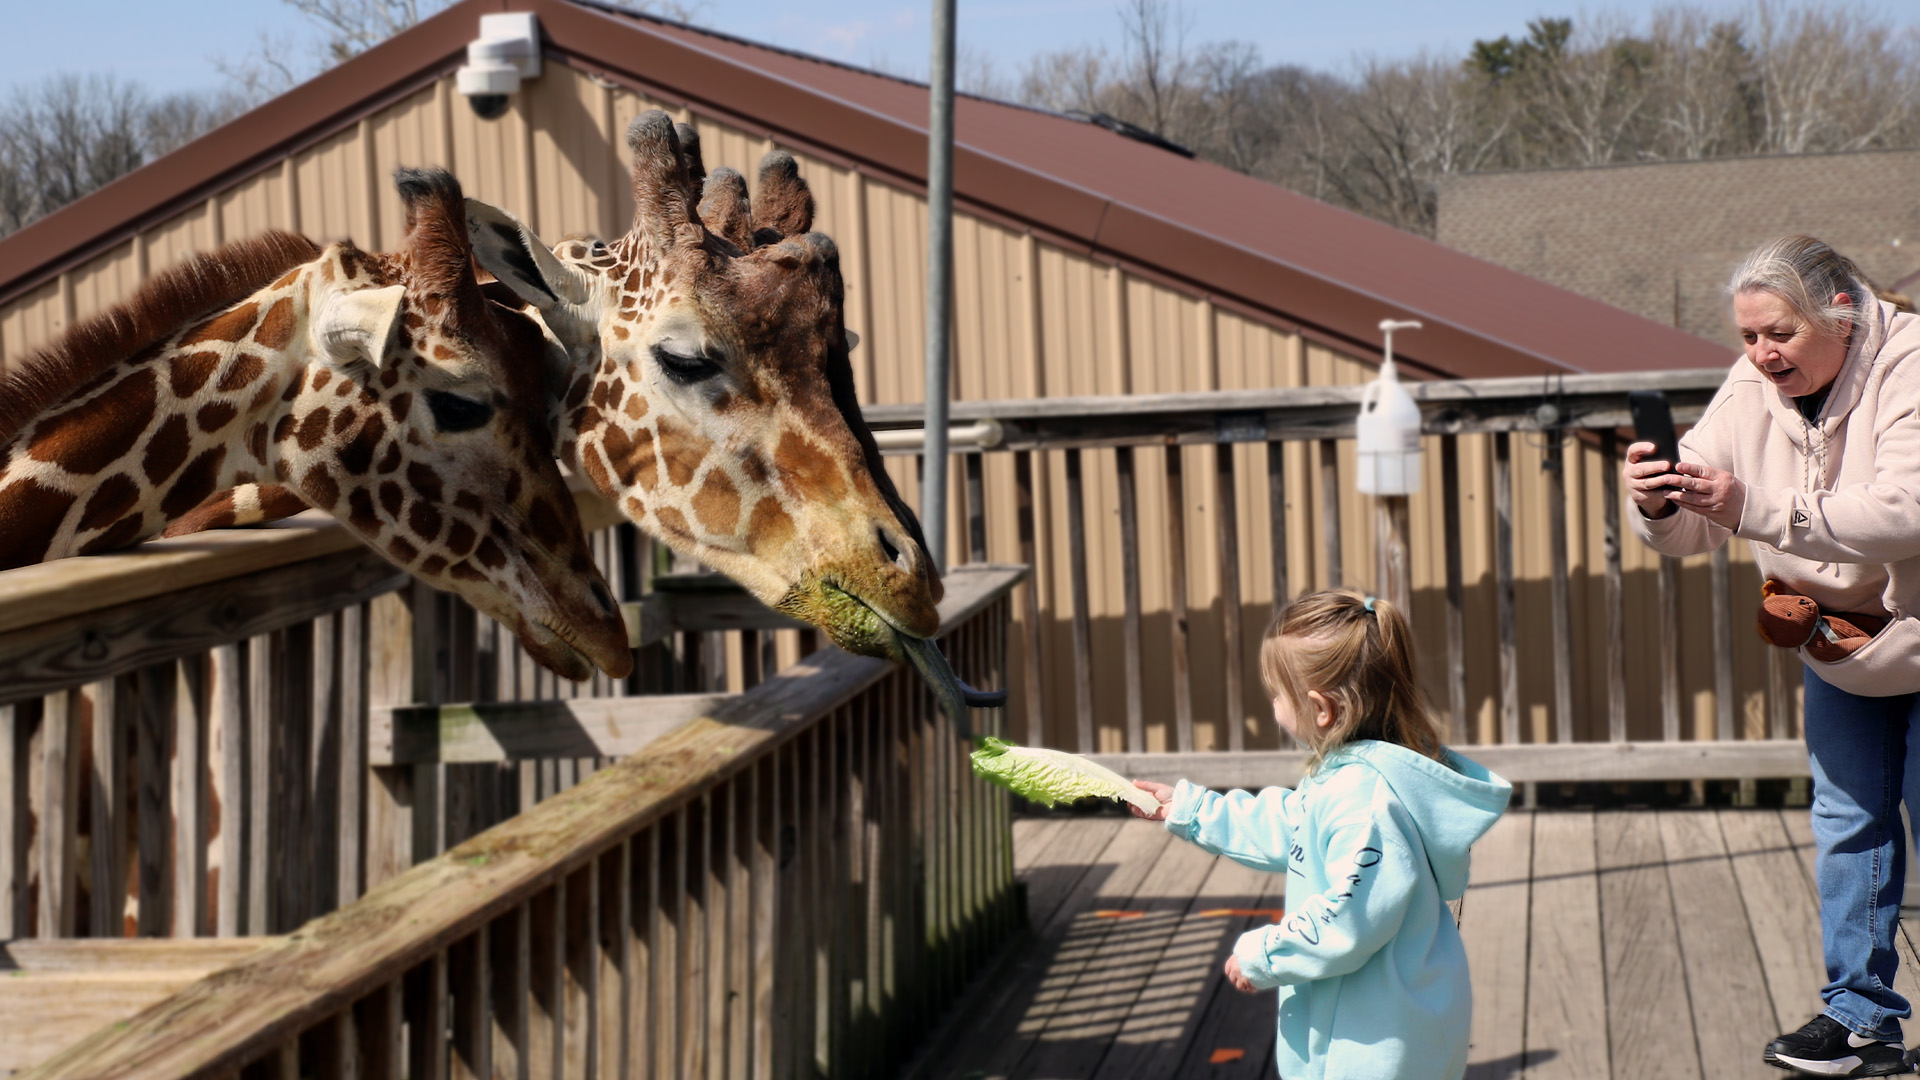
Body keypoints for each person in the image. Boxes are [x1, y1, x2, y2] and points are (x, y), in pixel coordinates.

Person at [1624, 234, 1920, 1078]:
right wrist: (1658, 501)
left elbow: (1906, 509)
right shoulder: (1752, 383)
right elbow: (1690, 533)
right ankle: (1861, 1022)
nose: (1760, 354)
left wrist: (1756, 507)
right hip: (1842, 644)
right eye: (1749, 336)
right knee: (1847, 827)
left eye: (1779, 334)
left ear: (1844, 311)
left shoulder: (1911, 362)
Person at [1130, 589, 1511, 1080]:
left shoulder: (1365, 804)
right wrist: (1191, 809)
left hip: (1374, 1045)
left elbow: (1348, 918)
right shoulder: (1352, 776)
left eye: (1277, 693)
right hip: (1380, 1022)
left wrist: (1266, 954)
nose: (1271, 703)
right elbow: (1292, 823)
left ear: (1320, 708)